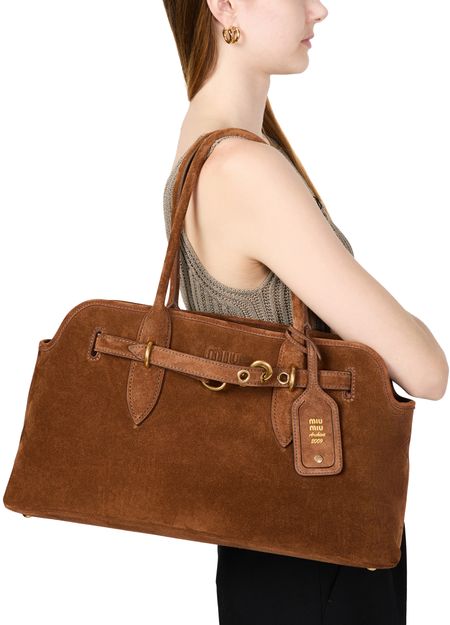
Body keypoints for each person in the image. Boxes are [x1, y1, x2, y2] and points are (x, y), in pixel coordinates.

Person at [161, 1, 449, 623]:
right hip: (317, 545)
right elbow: (427, 371)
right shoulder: (243, 168)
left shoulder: (205, 143)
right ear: (223, 4)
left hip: (267, 540)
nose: (318, 9)